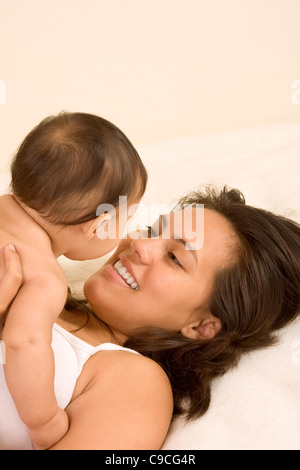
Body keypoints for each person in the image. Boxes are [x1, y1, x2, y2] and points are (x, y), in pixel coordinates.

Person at [1, 185, 300, 450]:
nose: (139, 244)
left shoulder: (137, 384)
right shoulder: (40, 287)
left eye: (174, 257)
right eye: (152, 231)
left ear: (201, 326)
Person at [0, 111, 147, 450]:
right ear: (99, 225)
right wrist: (43, 419)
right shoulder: (43, 277)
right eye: (129, 218)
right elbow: (23, 342)